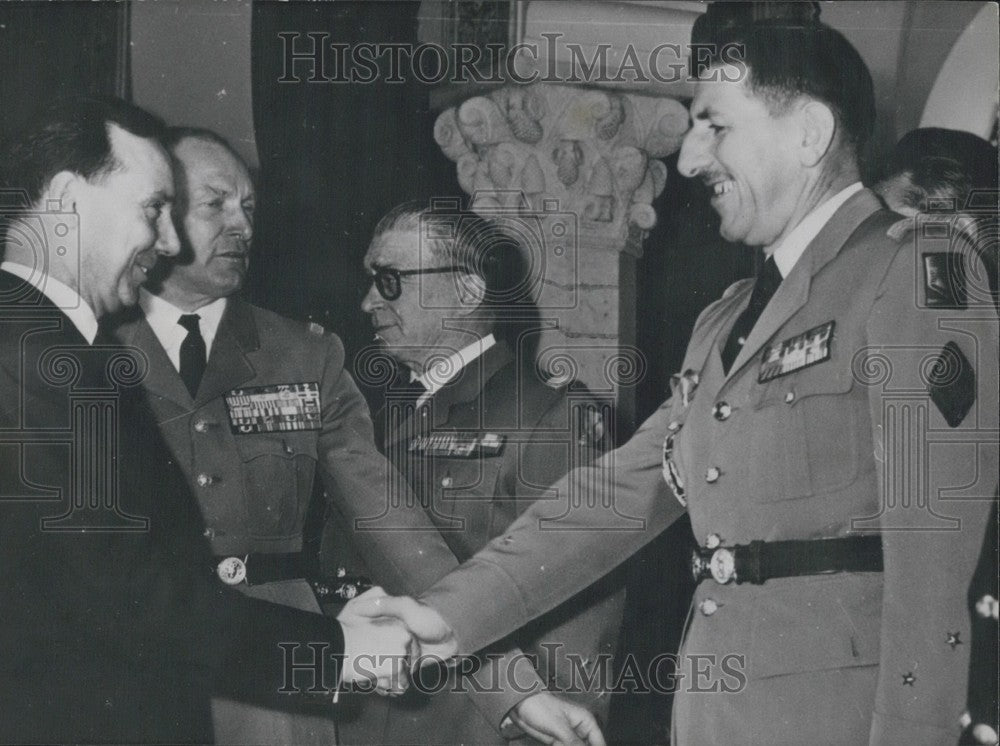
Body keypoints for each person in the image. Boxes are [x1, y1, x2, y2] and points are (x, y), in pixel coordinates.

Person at [342, 20, 1000, 745]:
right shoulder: (727, 320)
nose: (689, 158)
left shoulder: (910, 274)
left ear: (808, 133)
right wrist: (449, 616)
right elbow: (619, 494)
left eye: (715, 126)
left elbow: (932, 565)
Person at [0, 95, 406, 743]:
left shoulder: (63, 345)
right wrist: (343, 649)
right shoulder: (31, 354)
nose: (168, 240)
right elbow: (113, 589)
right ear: (67, 201)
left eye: (249, 207)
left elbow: (384, 514)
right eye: (156, 208)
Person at [334, 201, 625, 744]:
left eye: (390, 280)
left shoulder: (552, 416)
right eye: (372, 281)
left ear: (468, 291)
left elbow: (578, 608)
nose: (368, 301)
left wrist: (556, 722)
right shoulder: (381, 420)